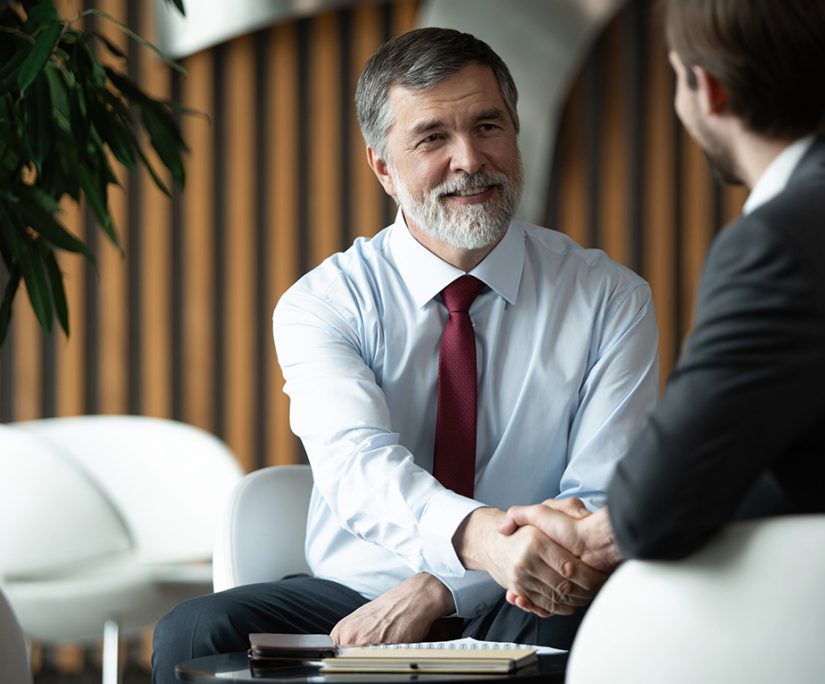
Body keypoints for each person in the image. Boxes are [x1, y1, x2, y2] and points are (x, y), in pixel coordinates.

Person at [150, 26, 658, 682]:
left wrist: (443, 587)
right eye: (433, 138)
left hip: (526, 594)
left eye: (488, 126)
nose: (470, 159)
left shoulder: (609, 298)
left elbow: (597, 501)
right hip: (354, 600)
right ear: (383, 166)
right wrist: (473, 547)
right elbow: (361, 470)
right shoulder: (323, 303)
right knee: (193, 632)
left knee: (594, 612)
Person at [501, 0, 825, 603]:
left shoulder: (782, 243)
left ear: (709, 89)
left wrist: (580, 538)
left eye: (678, 76)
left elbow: (654, 511)